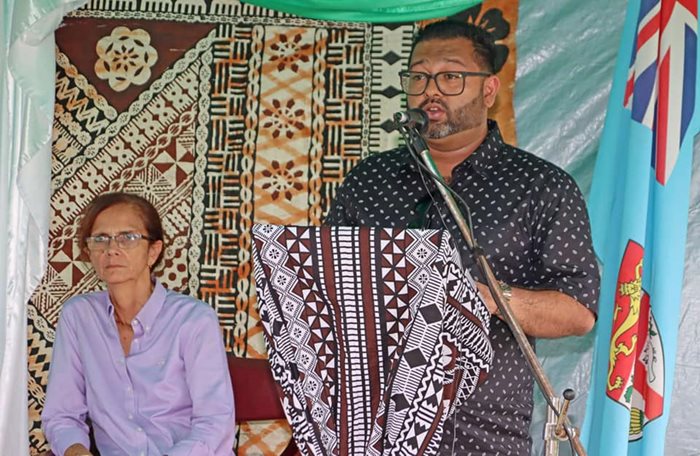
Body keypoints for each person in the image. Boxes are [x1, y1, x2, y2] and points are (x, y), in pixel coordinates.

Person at [325, 20, 600, 455]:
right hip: (368, 427)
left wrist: (485, 297)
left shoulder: (540, 186)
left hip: (481, 431)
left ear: (489, 90)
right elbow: (326, 285)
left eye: (451, 76)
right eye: (418, 77)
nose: (430, 91)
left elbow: (578, 312)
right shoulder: (369, 181)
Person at [42, 192, 235, 456]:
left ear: (153, 251)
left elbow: (214, 423)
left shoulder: (194, 320)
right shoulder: (79, 317)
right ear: (89, 252)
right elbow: (62, 415)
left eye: (128, 237)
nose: (112, 249)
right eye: (100, 239)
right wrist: (76, 451)